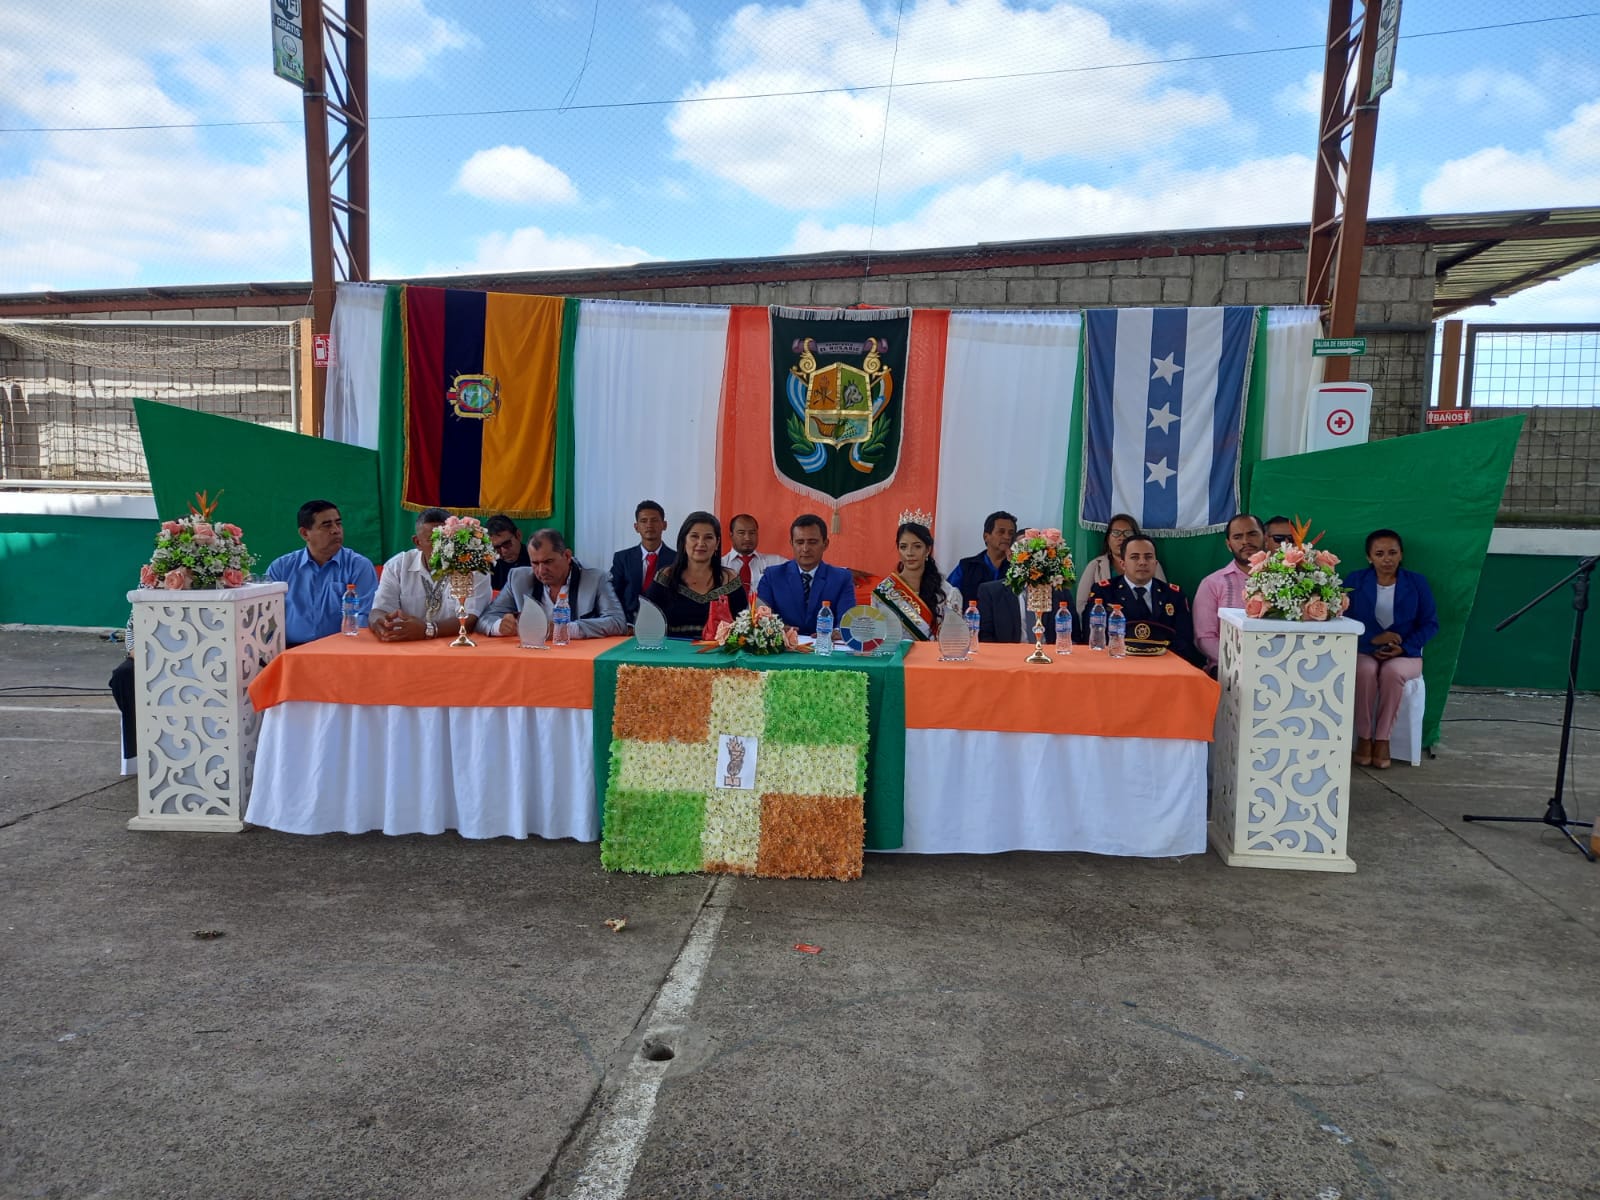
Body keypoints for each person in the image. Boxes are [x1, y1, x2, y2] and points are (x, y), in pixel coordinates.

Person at [1346, 528, 1438, 769]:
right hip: (1364, 649)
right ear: (1369, 557)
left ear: (1401, 555)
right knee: (1364, 671)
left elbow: (1430, 624)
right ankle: (1364, 737)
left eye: (1392, 552)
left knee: (1392, 672)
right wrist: (1373, 640)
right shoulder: (1354, 581)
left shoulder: (1417, 583)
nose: (1386, 559)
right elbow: (1343, 619)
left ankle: (1382, 739)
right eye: (1379, 554)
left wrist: (1404, 647)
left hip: (1406, 654)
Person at [265, 499, 378, 647]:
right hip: (290, 650)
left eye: (338, 523)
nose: (336, 530)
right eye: (327, 525)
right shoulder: (281, 568)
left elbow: (364, 616)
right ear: (305, 533)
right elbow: (265, 615)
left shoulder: (358, 566)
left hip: (343, 649)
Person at [480, 528, 626, 640]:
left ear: (567, 556)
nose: (541, 570)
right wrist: (499, 626)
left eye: (548, 562)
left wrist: (564, 630)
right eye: (535, 563)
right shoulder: (518, 579)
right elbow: (485, 619)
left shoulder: (596, 579)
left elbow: (618, 622)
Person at [371, 508, 491, 643]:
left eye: (447, 539)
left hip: (456, 646)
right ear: (417, 542)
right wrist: (381, 624)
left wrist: (428, 630)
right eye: (433, 540)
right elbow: (379, 610)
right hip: (407, 646)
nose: (441, 546)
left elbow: (470, 619)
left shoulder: (472, 567)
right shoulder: (397, 566)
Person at [1082, 534, 1195, 661]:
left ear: (1155, 563)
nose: (1142, 562)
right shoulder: (1103, 592)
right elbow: (1092, 636)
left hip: (1163, 663)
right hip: (1116, 662)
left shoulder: (1173, 595)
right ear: (1123, 564)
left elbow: (1184, 641)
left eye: (1148, 557)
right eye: (1134, 557)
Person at [642, 512, 749, 639]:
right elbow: (647, 623)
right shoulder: (666, 578)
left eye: (708, 537)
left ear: (717, 543)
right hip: (672, 650)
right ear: (684, 540)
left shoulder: (730, 580)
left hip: (718, 650)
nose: (701, 543)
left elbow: (744, 627)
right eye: (694, 536)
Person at [757, 513, 857, 636]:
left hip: (826, 644)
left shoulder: (842, 578)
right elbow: (761, 615)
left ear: (825, 544)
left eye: (812, 542)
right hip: (785, 643)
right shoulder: (772, 576)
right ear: (792, 544)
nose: (805, 549)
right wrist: (777, 628)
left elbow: (846, 619)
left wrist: (837, 632)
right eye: (799, 542)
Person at [1193, 513, 1266, 671]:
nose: (1246, 541)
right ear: (1228, 544)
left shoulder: (1287, 579)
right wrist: (1242, 662)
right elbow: (1205, 638)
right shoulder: (1212, 584)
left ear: (1265, 537)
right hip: (1228, 671)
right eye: (1238, 537)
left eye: (1252, 534)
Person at [871, 518, 948, 640]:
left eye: (917, 546)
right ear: (898, 549)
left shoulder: (946, 591)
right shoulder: (884, 590)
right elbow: (877, 635)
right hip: (895, 651)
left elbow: (953, 638)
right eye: (903, 547)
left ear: (928, 550)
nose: (910, 553)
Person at [1075, 513, 1166, 615]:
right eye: (1116, 533)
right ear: (1108, 538)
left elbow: (1163, 596)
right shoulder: (1095, 565)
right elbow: (1081, 604)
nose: (1121, 537)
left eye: (1127, 533)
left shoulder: (1151, 564)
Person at [611, 500, 677, 625]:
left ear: (664, 525)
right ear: (636, 527)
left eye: (654, 520)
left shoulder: (677, 560)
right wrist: (624, 623)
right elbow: (613, 595)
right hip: (628, 624)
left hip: (665, 624)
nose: (649, 525)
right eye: (644, 521)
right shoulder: (622, 558)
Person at [947, 510, 1017, 608]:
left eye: (1011, 533)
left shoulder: (1019, 568)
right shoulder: (967, 566)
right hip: (972, 617)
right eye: (1001, 532)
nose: (1007, 537)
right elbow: (948, 595)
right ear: (986, 536)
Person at [977, 578, 1073, 644]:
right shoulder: (991, 592)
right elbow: (985, 637)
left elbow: (1074, 636)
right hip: (1008, 659)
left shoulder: (1059, 591)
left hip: (1052, 659)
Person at [721, 513, 787, 594]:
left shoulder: (776, 562)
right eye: (741, 533)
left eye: (752, 533)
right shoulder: (719, 565)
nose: (747, 538)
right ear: (731, 535)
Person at [485, 514, 530, 592]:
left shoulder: (536, 560)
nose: (504, 551)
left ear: (518, 535)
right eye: (497, 547)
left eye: (507, 543)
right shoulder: (488, 565)